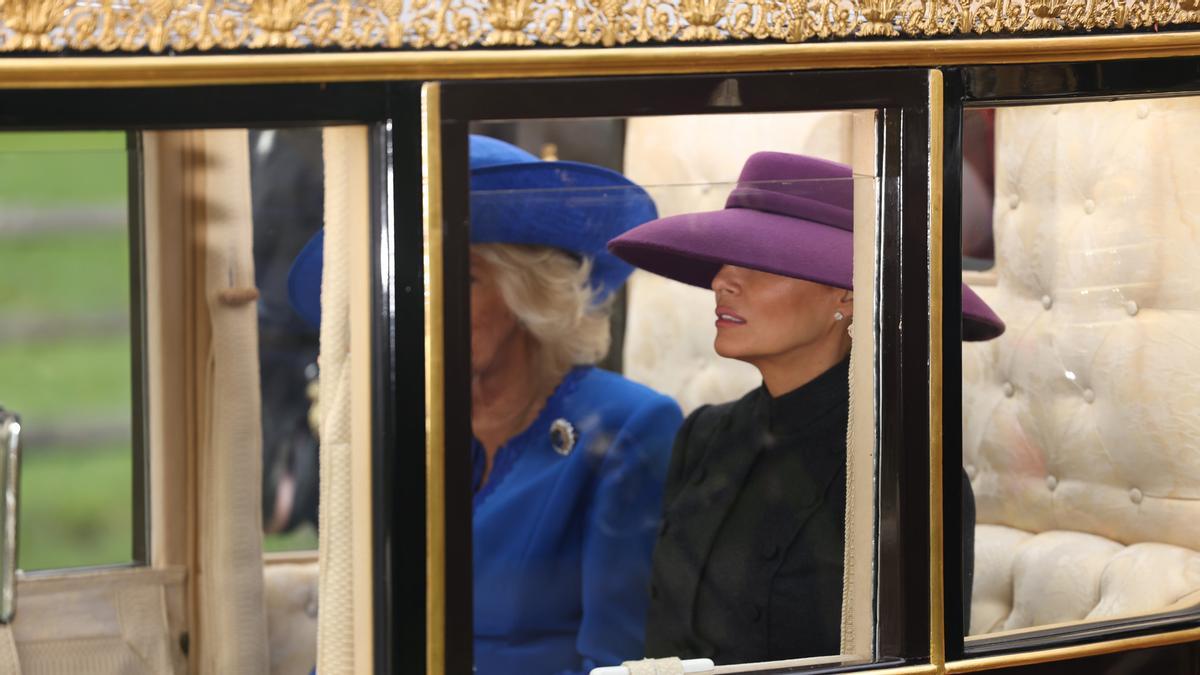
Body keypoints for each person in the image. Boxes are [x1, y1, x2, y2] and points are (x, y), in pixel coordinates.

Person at [288, 135, 683, 675]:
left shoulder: (627, 425)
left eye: (461, 278)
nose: (423, 305)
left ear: (530, 296)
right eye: (409, 282)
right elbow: (356, 638)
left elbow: (619, 664)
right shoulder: (399, 430)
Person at [608, 151, 1004, 664]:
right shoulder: (704, 437)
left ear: (845, 295)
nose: (721, 281)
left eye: (758, 263)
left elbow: (916, 664)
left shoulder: (899, 476)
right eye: (725, 261)